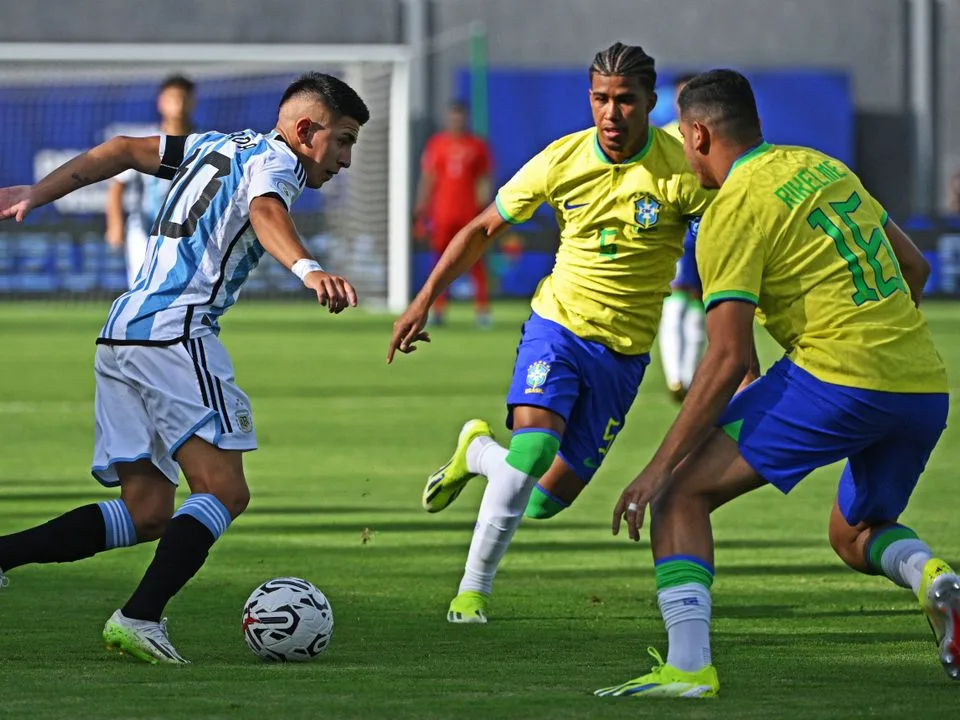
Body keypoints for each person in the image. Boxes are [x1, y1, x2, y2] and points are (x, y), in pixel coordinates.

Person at [596, 69, 958, 699]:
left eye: (682, 136)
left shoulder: (732, 208)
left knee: (679, 498)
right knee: (854, 534)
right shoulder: (822, 166)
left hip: (838, 378)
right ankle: (935, 579)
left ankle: (687, 669)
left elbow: (727, 357)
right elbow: (914, 266)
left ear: (701, 133)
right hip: (922, 384)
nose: (683, 149)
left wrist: (658, 467)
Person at [0, 72, 367, 665]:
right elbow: (266, 207)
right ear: (305, 132)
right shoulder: (277, 163)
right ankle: (139, 617)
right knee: (224, 490)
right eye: (344, 140)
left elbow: (120, 150)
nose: (346, 159)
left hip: (121, 332)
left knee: (148, 512)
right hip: (177, 332)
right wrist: (307, 268)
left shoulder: (213, 145)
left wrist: (34, 194)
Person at [388, 43, 713, 624]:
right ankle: (472, 592)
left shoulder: (681, 170)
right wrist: (423, 299)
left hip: (624, 356)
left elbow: (726, 246)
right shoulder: (561, 159)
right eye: (601, 100)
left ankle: (479, 452)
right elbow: (484, 227)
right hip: (558, 327)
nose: (611, 114)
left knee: (540, 501)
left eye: (625, 101)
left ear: (650, 103)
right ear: (590, 99)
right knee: (534, 449)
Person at [105, 74, 196, 288]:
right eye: (173, 98)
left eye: (183, 98)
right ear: (161, 102)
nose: (179, 105)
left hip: (188, 231)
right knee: (142, 288)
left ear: (192, 102)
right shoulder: (147, 141)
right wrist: (114, 224)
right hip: (144, 227)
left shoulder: (204, 141)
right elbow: (118, 184)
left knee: (184, 291)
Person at [414, 100, 493, 327]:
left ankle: (482, 310)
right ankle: (437, 310)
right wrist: (422, 209)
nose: (456, 120)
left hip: (469, 214)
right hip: (442, 214)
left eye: (460, 116)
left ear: (465, 118)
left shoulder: (477, 146)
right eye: (453, 116)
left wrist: (483, 208)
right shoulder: (437, 144)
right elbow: (429, 179)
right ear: (449, 118)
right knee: (439, 262)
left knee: (475, 259)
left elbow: (484, 180)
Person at [657, 74, 704, 402]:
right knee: (674, 300)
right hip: (676, 229)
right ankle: (676, 377)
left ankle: (688, 376)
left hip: (708, 229)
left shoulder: (712, 135)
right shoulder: (664, 137)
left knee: (702, 304)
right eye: (679, 95)